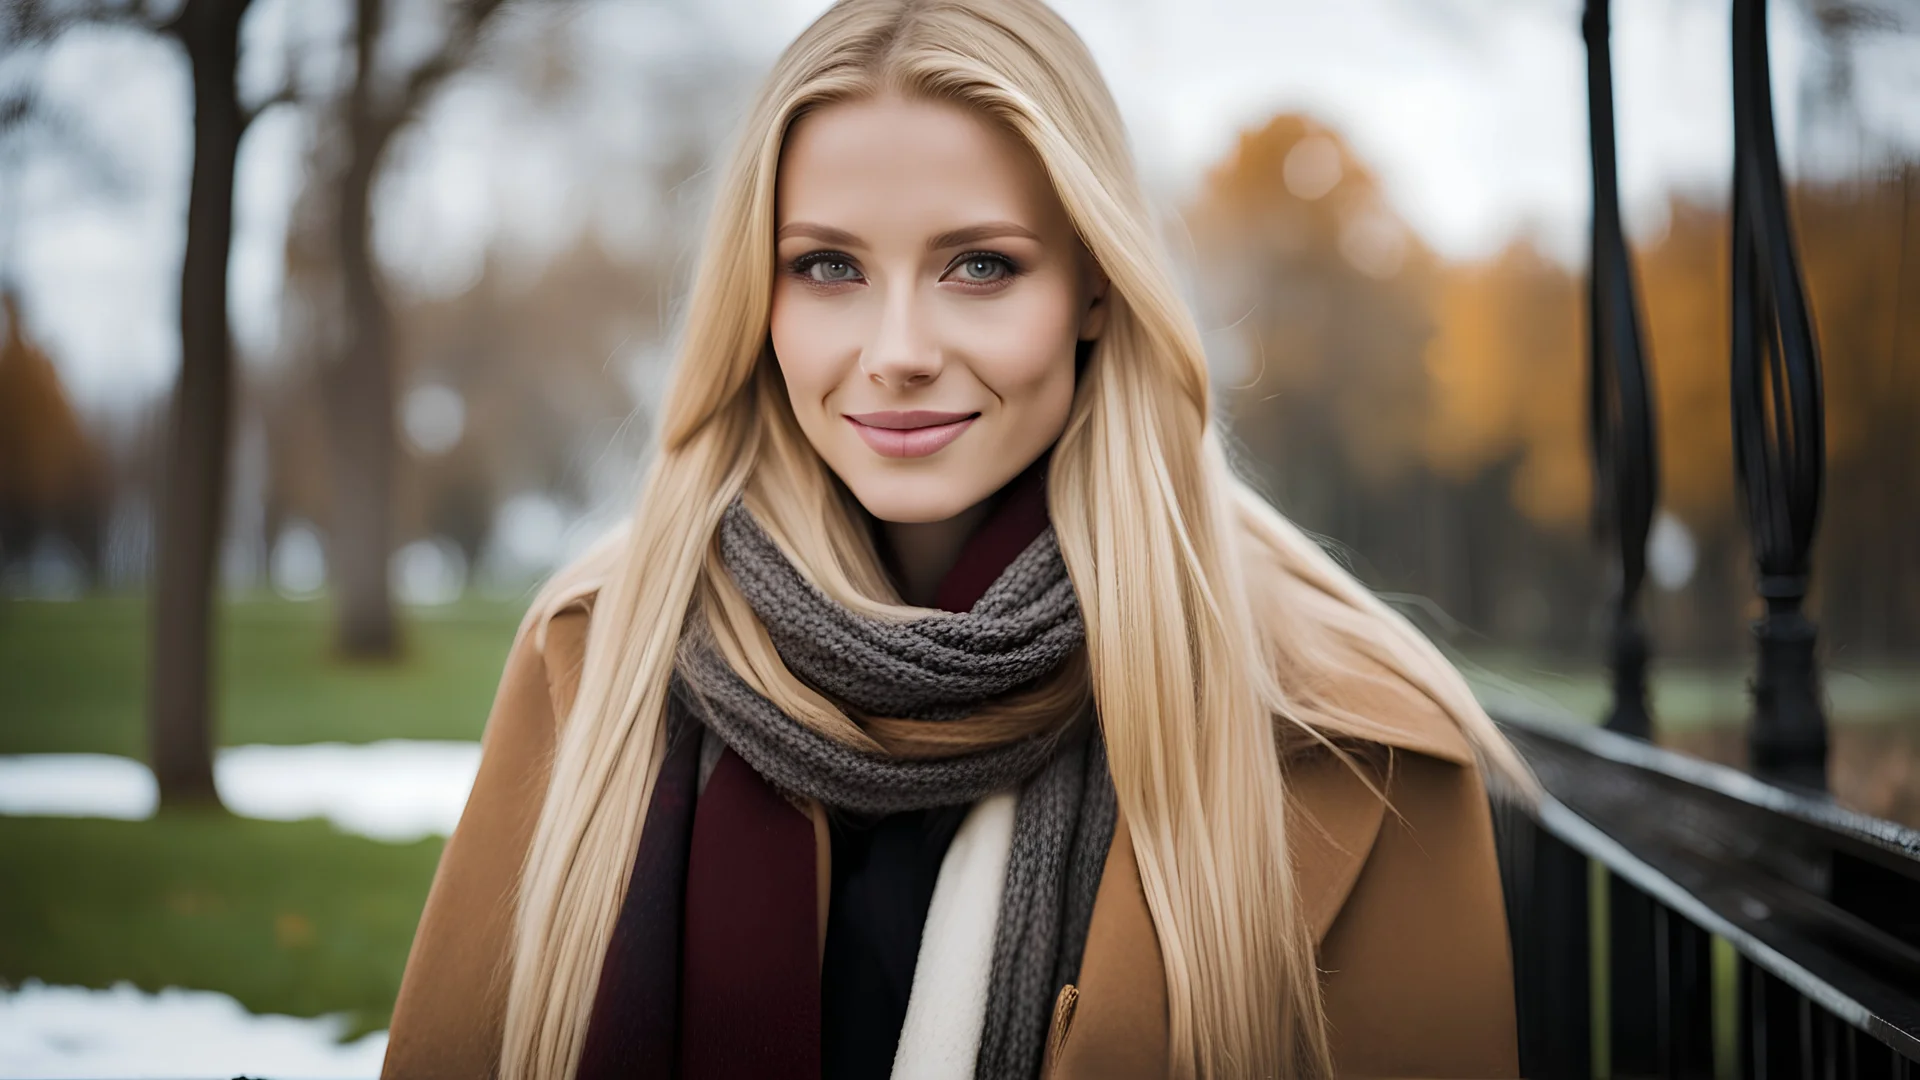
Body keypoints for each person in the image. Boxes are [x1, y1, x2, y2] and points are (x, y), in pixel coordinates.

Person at [382, 1, 1533, 1077]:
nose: (897, 350)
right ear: (759, 295)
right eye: (828, 266)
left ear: (1093, 283)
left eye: (979, 265)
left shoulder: (1341, 738)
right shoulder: (600, 654)